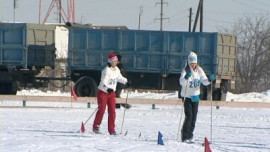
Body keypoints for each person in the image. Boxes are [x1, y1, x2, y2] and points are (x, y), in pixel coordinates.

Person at [179, 52, 214, 143]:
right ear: (189, 63)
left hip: (196, 96)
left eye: (194, 63)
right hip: (187, 96)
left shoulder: (199, 70)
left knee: (194, 117)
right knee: (189, 116)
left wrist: (209, 80)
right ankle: (185, 135)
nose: (193, 65)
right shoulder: (185, 70)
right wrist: (186, 77)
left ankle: (190, 135)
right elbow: (181, 82)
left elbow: (204, 81)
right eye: (191, 63)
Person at [92, 53, 130, 135]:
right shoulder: (106, 70)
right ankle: (96, 126)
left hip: (112, 93)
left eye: (117, 61)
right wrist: (107, 89)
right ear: (111, 62)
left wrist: (126, 81)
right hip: (103, 93)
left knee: (112, 111)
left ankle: (111, 129)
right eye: (115, 61)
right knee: (101, 110)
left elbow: (119, 78)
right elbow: (103, 83)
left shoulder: (116, 69)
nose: (116, 62)